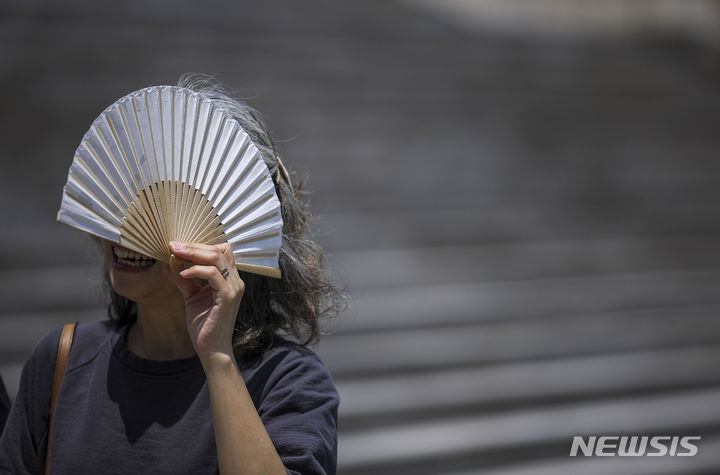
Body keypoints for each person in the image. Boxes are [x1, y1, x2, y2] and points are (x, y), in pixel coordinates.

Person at [0, 75, 347, 474]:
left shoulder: (288, 380)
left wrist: (217, 358)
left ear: (232, 231)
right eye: (125, 195)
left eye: (158, 203)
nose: (128, 225)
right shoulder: (62, 358)